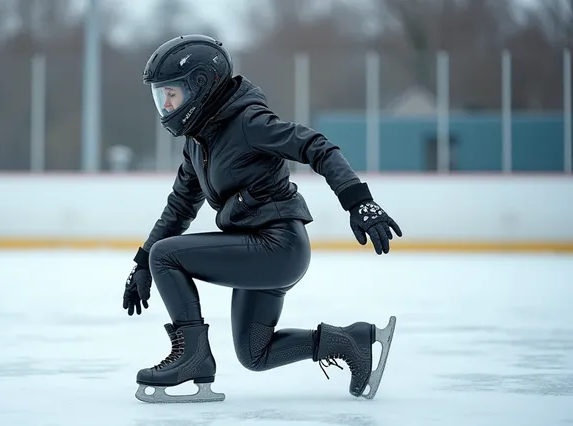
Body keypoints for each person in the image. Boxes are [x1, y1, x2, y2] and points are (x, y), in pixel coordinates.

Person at [123, 35, 402, 404]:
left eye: (171, 94)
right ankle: (353, 341)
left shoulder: (248, 122)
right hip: (253, 250)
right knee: (256, 354)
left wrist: (359, 201)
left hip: (276, 246)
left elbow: (316, 146)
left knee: (167, 254)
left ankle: (191, 357)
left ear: (200, 85)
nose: (166, 105)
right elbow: (179, 208)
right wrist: (141, 263)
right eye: (160, 97)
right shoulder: (197, 143)